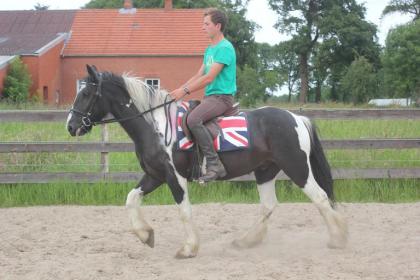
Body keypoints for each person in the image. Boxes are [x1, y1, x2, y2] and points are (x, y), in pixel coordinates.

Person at [170, 8, 236, 183]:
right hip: (210, 98)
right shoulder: (210, 49)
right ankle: (195, 163)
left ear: (218, 26)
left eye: (206, 24)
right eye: (203, 24)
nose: (202, 27)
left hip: (222, 98)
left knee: (193, 120)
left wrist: (184, 91)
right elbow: (199, 75)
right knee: (185, 116)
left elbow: (209, 78)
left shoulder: (225, 48)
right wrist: (179, 90)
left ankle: (215, 165)